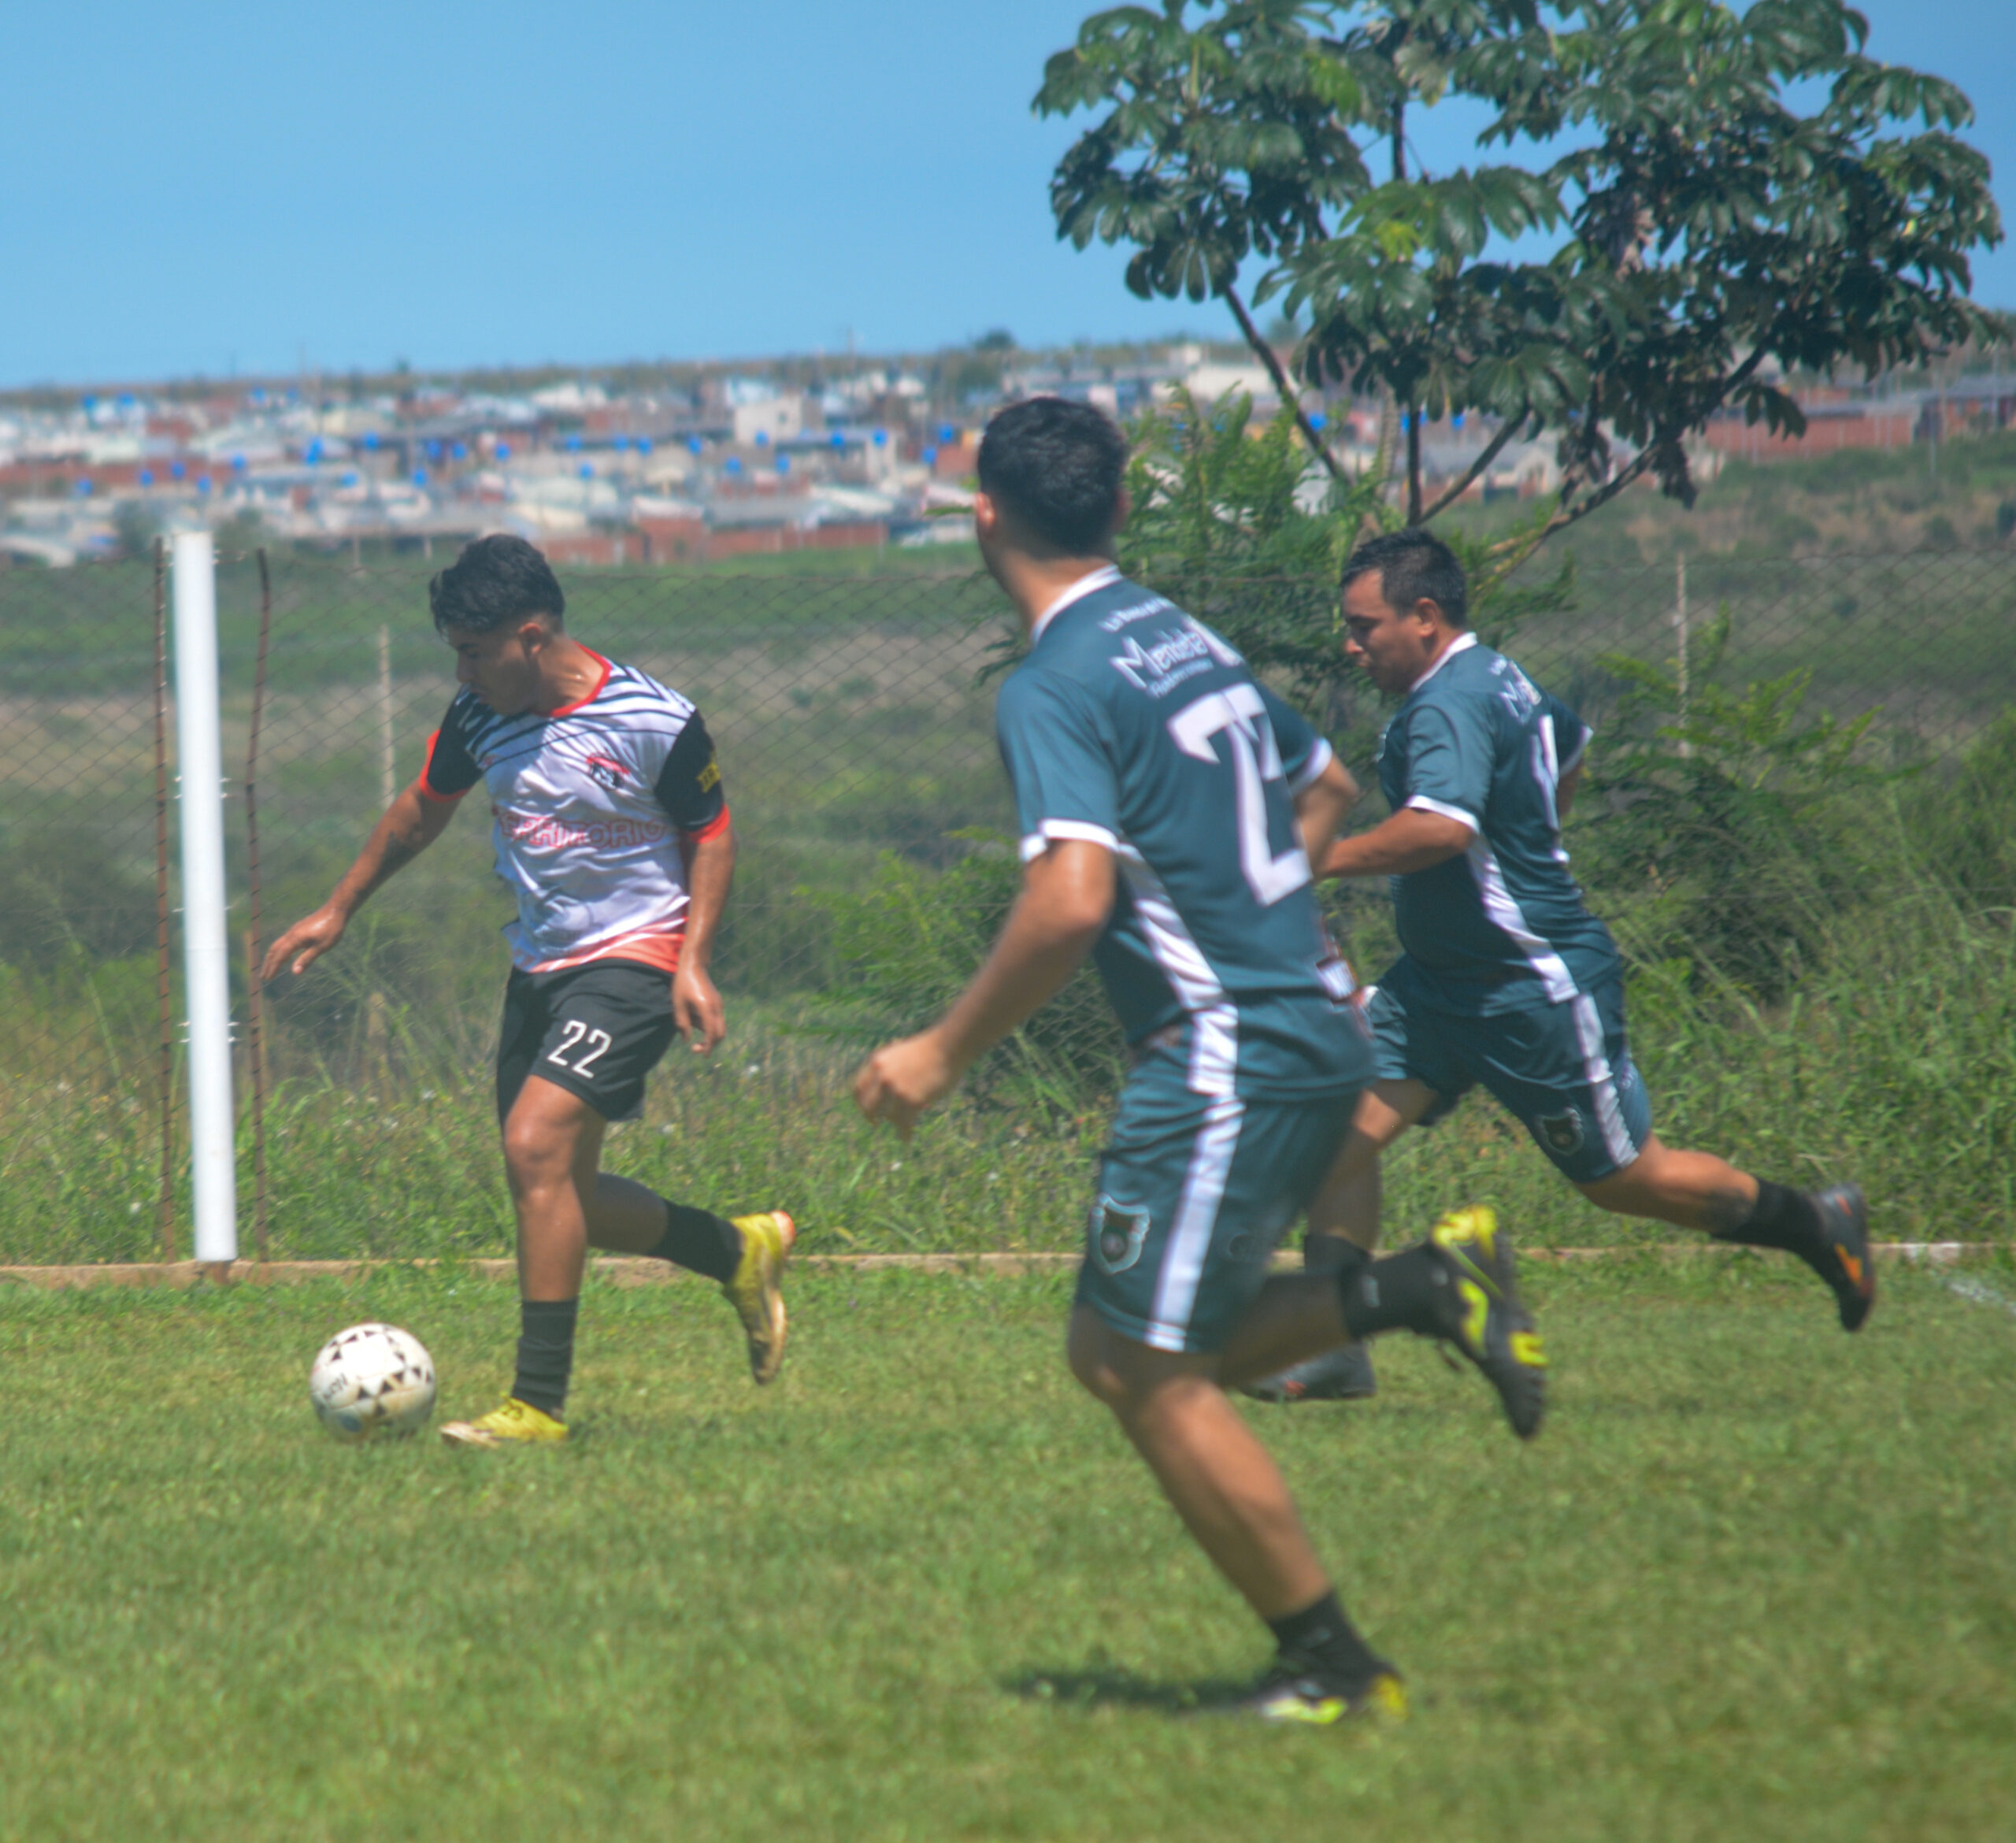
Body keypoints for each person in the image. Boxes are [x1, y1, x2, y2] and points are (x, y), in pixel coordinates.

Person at [851, 399, 1548, 1725]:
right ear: (1119, 511)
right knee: (1127, 1345)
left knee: (1146, 1370)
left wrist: (940, 1053)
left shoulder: (1053, 682)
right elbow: (1329, 782)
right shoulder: (1176, 635)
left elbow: (1068, 903)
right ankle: (1422, 1290)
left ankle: (1331, 1667)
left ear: (984, 519)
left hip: (1226, 1049)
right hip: (1306, 1020)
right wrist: (1261, 913)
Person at [1250, 528, 1873, 1407]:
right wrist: (1530, 841)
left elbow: (1442, 828)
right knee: (1331, 1134)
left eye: (1364, 627)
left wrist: (1315, 859)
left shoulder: (1445, 705)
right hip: (1437, 986)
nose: (1351, 647)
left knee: (1628, 1182)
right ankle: (1334, 1343)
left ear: (1423, 616)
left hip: (1529, 989)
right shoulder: (1495, 675)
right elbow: (1567, 749)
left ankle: (1817, 1223)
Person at [261, 535, 795, 1448]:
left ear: (532, 636)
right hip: (541, 968)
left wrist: (694, 961)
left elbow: (711, 833)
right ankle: (736, 1250)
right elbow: (422, 810)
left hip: (638, 960)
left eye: (474, 652)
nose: (461, 673)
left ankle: (537, 1406)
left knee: (533, 1143)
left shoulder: (653, 720)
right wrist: (337, 908)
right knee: (558, 1189)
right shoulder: (480, 714)